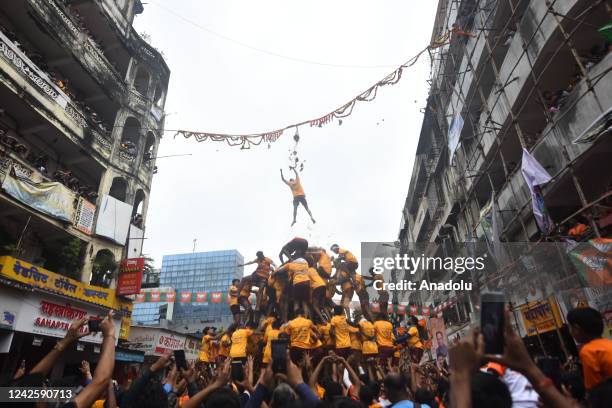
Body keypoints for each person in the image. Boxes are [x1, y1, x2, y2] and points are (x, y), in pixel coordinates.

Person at [567, 307, 612, 390]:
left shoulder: (588, 351)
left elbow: (594, 390)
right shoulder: (609, 343)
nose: (570, 332)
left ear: (577, 328)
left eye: (570, 327)